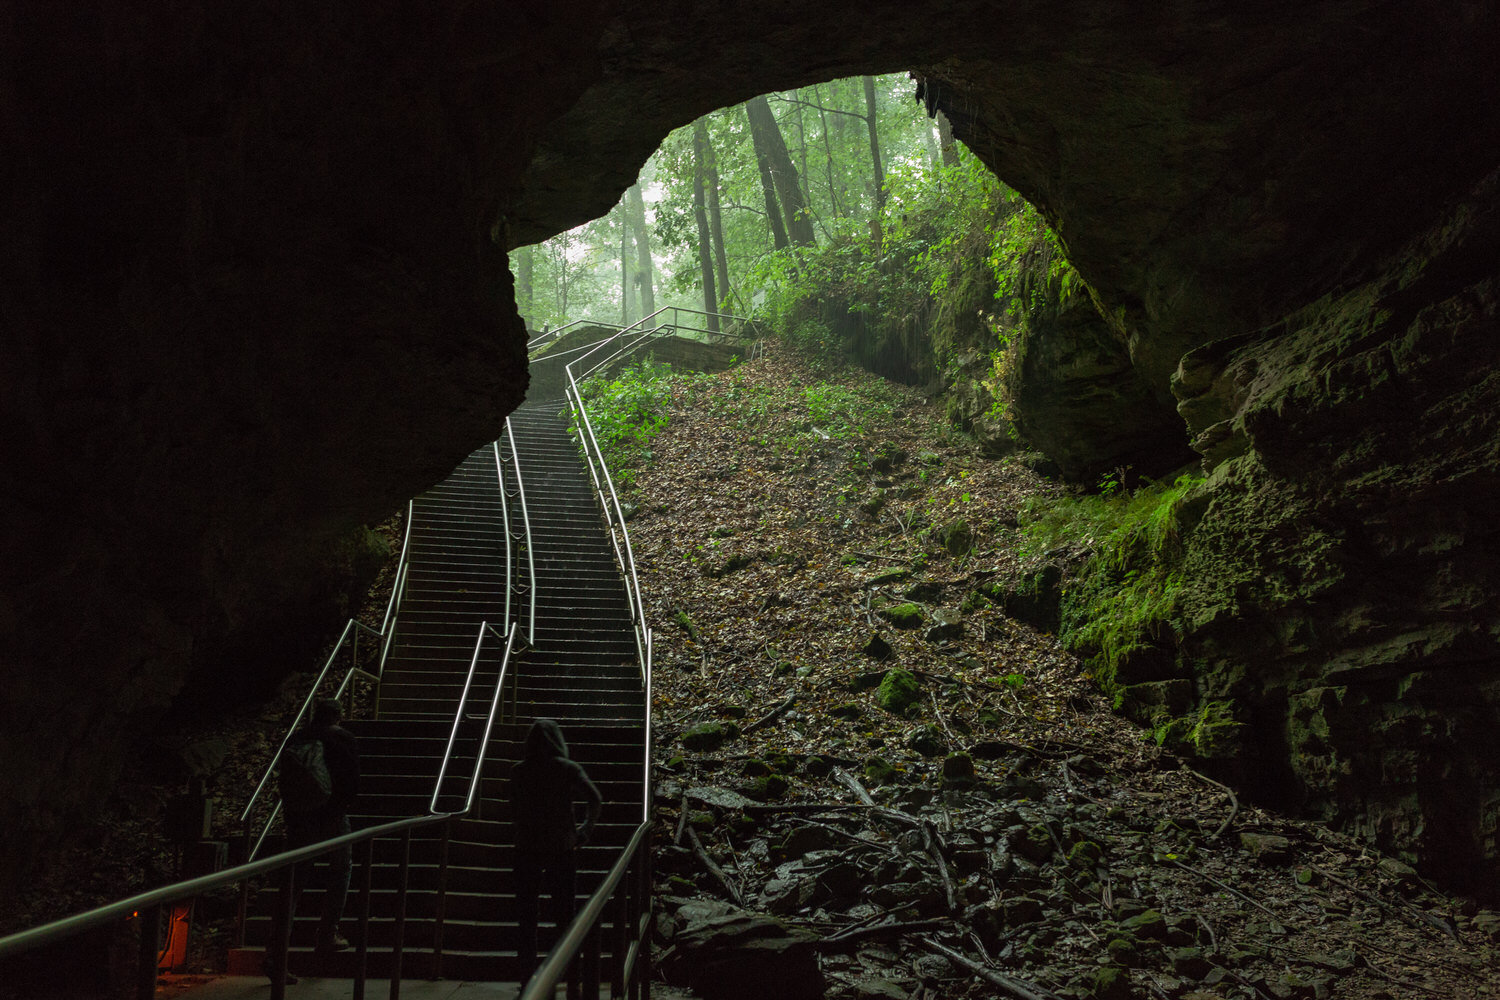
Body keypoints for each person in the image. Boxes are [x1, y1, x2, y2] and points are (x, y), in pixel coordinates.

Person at [266, 698, 360, 983]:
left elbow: (285, 780)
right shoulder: (343, 739)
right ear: (338, 716)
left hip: (299, 819)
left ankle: (275, 957)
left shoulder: (297, 738)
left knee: (292, 884)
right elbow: (352, 781)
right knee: (341, 869)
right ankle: (327, 932)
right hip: (331, 817)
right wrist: (339, 806)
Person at [510, 718, 603, 990]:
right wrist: (585, 829)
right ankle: (571, 978)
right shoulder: (566, 768)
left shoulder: (519, 771)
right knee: (565, 917)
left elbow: (513, 807)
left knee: (526, 919)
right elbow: (594, 798)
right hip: (561, 847)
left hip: (526, 848)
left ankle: (528, 981)